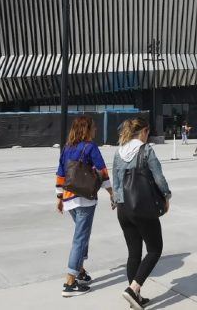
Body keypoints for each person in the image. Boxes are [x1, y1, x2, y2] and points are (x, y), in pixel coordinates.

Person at [113, 118, 172, 309]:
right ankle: (133, 289)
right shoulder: (146, 150)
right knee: (155, 249)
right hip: (142, 207)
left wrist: (118, 201)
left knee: (134, 254)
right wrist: (166, 196)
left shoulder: (119, 152)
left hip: (123, 209)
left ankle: (135, 298)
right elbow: (159, 178)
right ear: (144, 132)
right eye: (148, 132)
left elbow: (116, 182)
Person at [55, 115, 113, 298]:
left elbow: (61, 172)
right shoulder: (90, 147)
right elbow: (102, 171)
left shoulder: (67, 147)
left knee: (83, 234)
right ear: (86, 129)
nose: (95, 130)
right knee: (80, 238)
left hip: (69, 199)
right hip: (85, 199)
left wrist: (59, 197)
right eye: (93, 128)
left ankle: (80, 270)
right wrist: (111, 193)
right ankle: (70, 282)